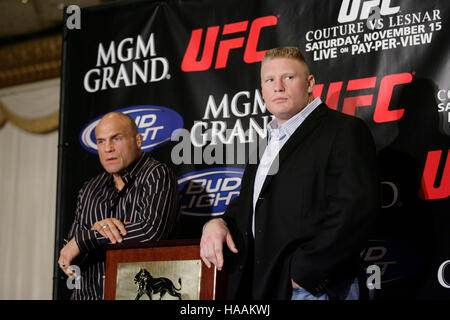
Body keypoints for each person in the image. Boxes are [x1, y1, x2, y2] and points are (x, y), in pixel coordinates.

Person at [200, 47, 380, 300]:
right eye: (269, 80)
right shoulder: (266, 142)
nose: (278, 87)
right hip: (264, 285)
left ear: (309, 84)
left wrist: (307, 272)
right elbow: (249, 206)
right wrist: (217, 222)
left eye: (289, 77)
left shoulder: (344, 130)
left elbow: (356, 211)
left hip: (314, 289)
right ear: (262, 89)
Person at [58, 112, 180, 300]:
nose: (108, 148)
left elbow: (152, 232)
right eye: (101, 141)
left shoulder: (156, 175)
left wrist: (91, 236)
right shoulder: (90, 189)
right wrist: (89, 237)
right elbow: (69, 255)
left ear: (138, 140)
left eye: (116, 138)